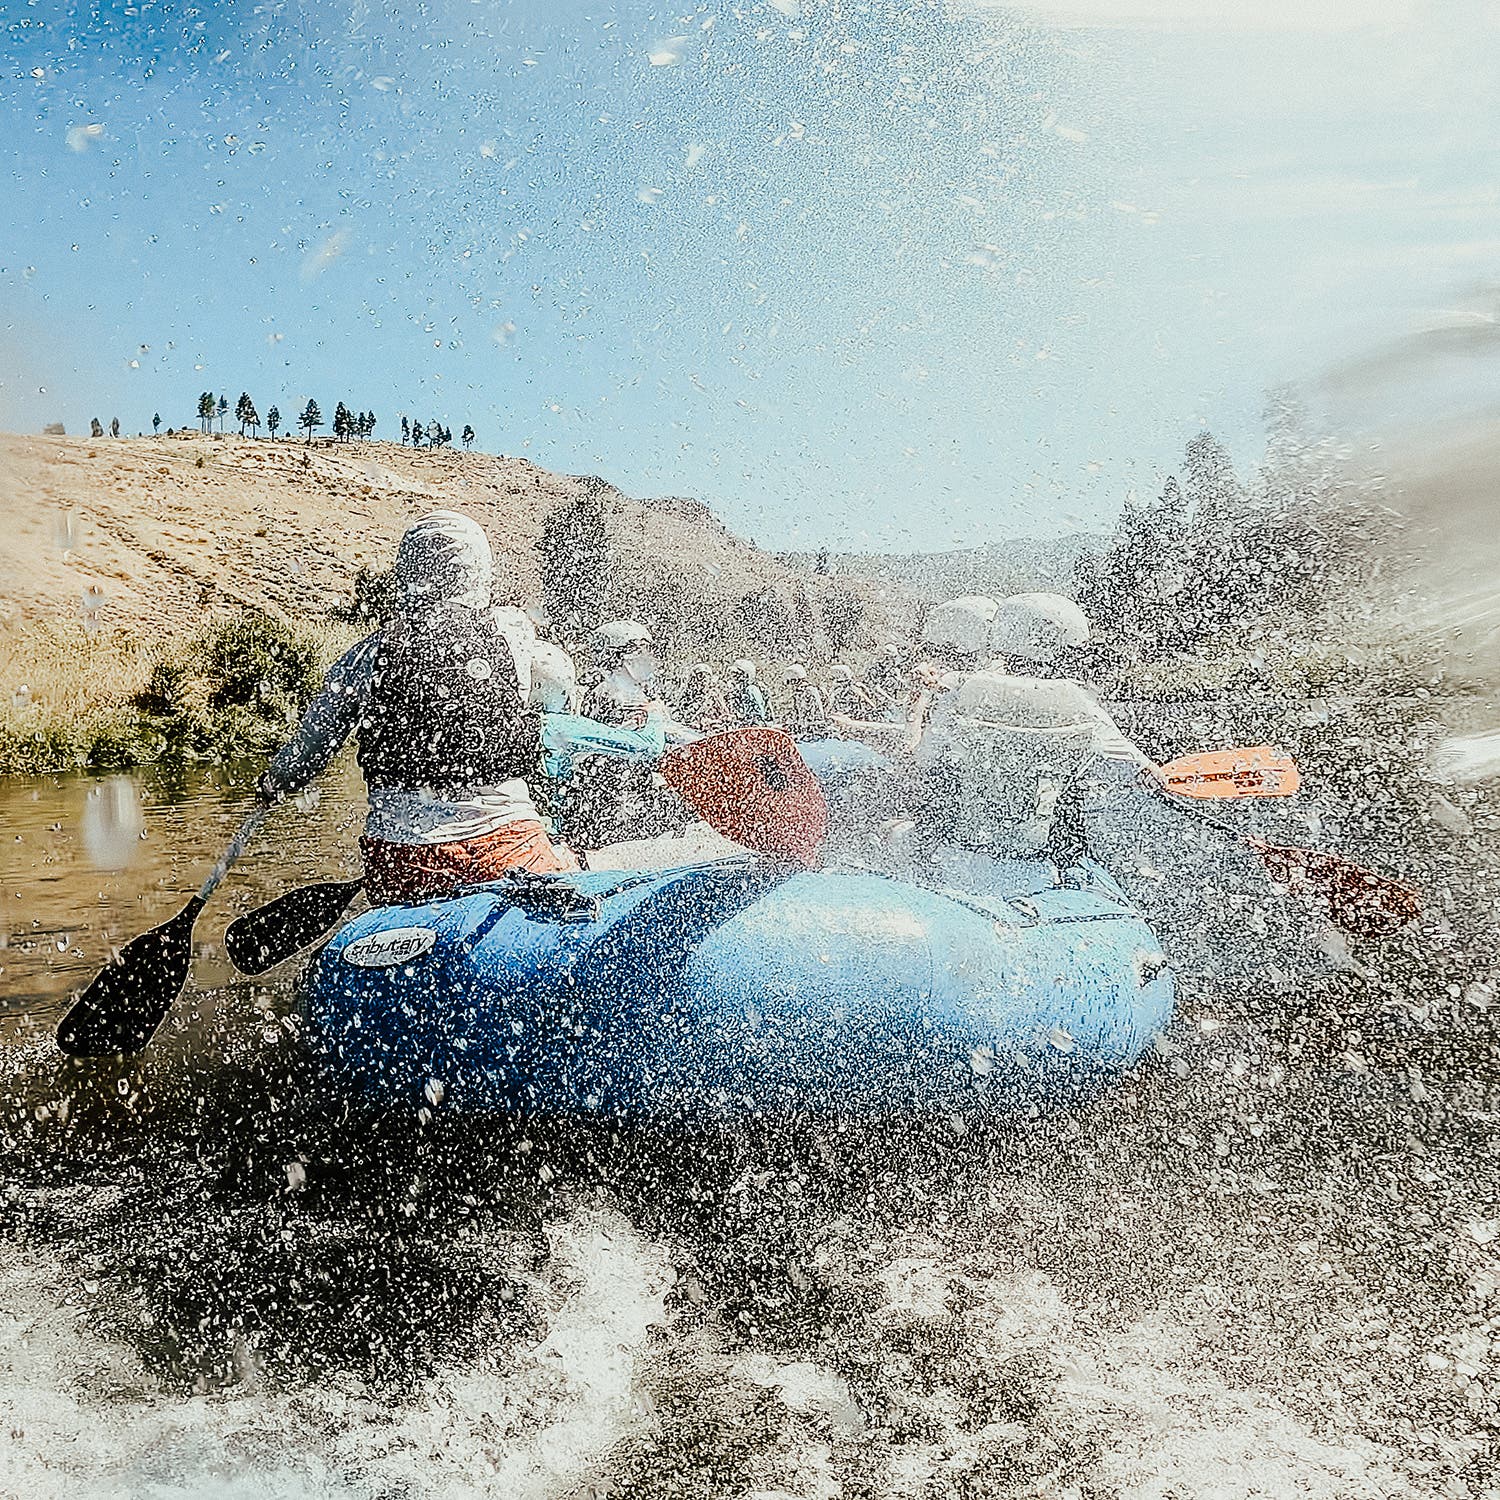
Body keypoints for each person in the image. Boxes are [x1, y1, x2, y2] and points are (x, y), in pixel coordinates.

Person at [255, 511, 578, 905]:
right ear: (479, 569)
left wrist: (276, 783)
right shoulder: (515, 633)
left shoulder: (367, 656)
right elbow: (559, 686)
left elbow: (309, 748)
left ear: (407, 571)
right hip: (505, 844)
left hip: (402, 857)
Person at [677, 663, 732, 734]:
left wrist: (713, 723)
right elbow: (681, 716)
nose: (703, 681)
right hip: (691, 732)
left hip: (711, 731)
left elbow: (725, 714)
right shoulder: (687, 697)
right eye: (700, 677)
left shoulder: (713, 694)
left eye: (706, 677)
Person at [782, 664, 829, 739]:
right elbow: (795, 713)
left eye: (789, 682)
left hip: (812, 731)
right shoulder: (799, 693)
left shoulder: (807, 691)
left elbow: (809, 714)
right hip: (806, 729)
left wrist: (798, 727)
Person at [725, 658, 771, 727]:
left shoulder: (751, 690)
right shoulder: (739, 692)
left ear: (745, 676)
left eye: (737, 675)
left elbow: (757, 714)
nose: (734, 678)